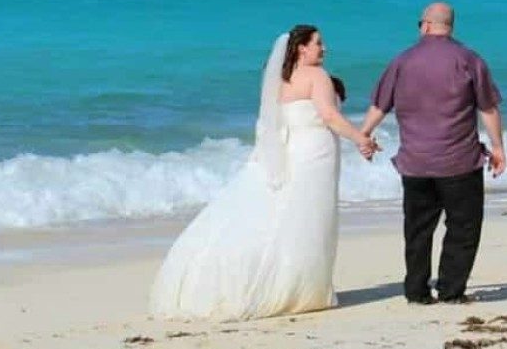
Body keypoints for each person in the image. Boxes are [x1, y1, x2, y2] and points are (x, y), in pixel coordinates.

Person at [149, 25, 377, 320]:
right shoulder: (317, 76)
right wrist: (361, 139)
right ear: (301, 48)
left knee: (288, 215)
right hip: (314, 154)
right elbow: (329, 115)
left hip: (293, 150)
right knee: (309, 218)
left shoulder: (279, 81)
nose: (324, 48)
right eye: (318, 43)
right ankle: (303, 289)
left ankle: (291, 284)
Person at [360, 2, 505, 305]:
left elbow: (380, 106)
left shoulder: (402, 61)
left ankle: (417, 291)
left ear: (425, 25)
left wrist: (364, 135)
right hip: (459, 162)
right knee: (463, 227)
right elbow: (488, 108)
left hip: (415, 163)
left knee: (417, 230)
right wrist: (498, 147)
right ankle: (451, 291)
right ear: (449, 26)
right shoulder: (469, 59)